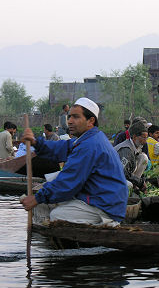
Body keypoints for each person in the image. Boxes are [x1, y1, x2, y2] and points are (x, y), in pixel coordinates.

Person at [20, 97, 127, 226]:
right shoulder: (86, 139)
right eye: (69, 116)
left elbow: (68, 182)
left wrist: (37, 198)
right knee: (47, 199)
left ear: (90, 121)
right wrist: (36, 142)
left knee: (56, 215)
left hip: (105, 206)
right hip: (98, 197)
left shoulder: (90, 145)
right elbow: (60, 148)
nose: (69, 121)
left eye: (76, 117)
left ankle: (105, 225)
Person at [114, 121, 149, 193]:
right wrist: (140, 182)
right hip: (112, 177)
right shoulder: (126, 150)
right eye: (143, 138)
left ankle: (135, 186)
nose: (145, 141)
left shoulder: (136, 147)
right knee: (128, 185)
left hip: (121, 174)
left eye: (146, 138)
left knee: (143, 157)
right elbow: (123, 173)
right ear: (134, 137)